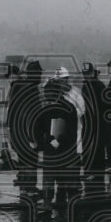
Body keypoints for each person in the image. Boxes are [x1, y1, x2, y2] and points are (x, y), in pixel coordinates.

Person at [39, 75, 80, 206]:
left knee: (61, 183)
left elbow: (71, 130)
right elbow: (39, 128)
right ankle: (55, 205)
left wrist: (57, 140)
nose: (45, 95)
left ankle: (55, 205)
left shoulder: (66, 108)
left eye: (47, 92)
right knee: (58, 182)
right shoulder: (53, 108)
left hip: (62, 151)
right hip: (59, 151)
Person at [7, 59, 43, 194]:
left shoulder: (19, 86)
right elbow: (33, 114)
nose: (40, 76)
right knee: (31, 159)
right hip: (27, 132)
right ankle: (29, 187)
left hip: (17, 131)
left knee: (24, 159)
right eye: (39, 73)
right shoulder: (31, 89)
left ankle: (24, 187)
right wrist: (33, 136)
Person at [80, 62, 107, 185]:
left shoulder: (92, 86)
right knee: (93, 146)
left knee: (94, 147)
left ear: (92, 73)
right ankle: (94, 173)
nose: (86, 76)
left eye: (87, 73)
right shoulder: (91, 85)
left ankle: (93, 173)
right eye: (84, 74)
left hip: (95, 122)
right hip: (92, 121)